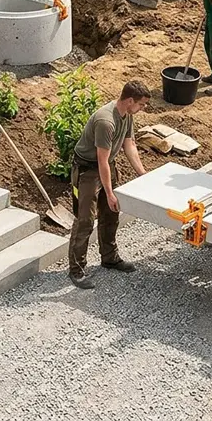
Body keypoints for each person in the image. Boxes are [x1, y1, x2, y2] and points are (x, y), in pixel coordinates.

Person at [67, 80, 151, 289]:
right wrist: (109, 192)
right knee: (85, 219)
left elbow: (129, 145)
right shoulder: (106, 121)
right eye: (141, 104)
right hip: (88, 170)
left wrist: (143, 175)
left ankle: (109, 257)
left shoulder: (127, 115)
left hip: (106, 166)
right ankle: (77, 269)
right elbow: (101, 161)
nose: (142, 109)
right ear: (130, 100)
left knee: (111, 213)